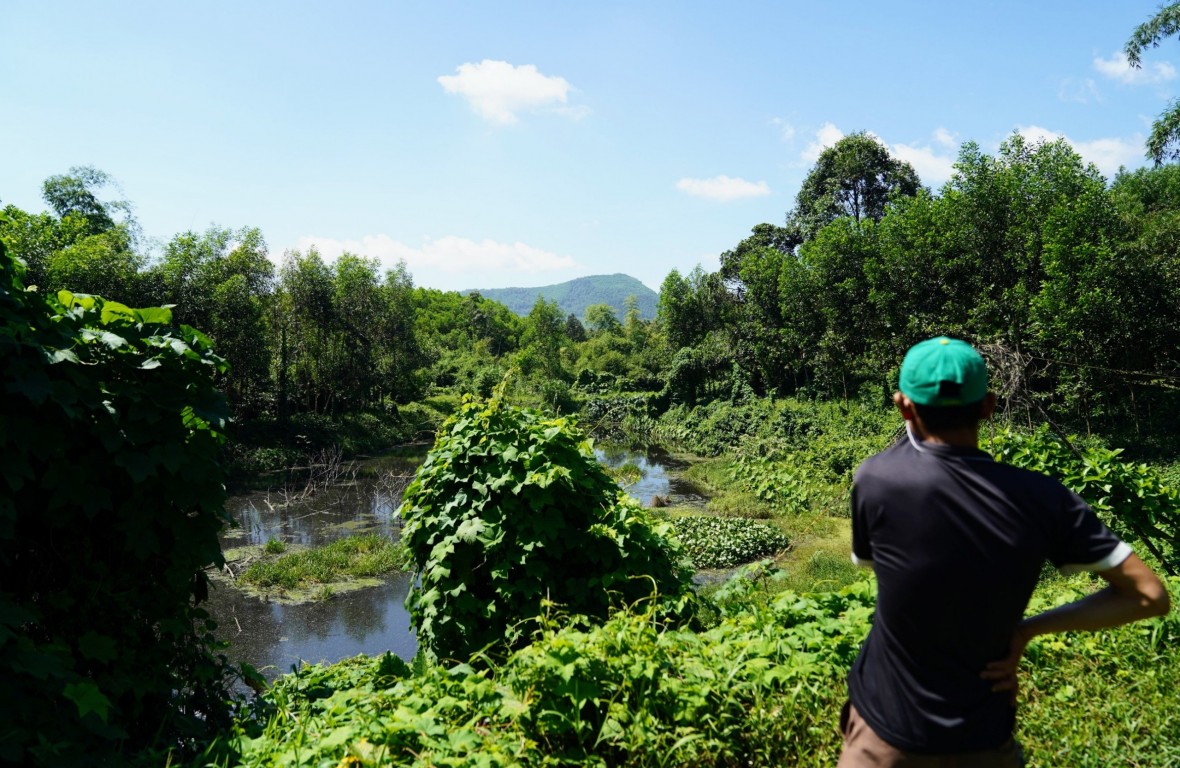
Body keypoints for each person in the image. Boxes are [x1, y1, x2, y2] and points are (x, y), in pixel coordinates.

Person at [837, 336, 1170, 767]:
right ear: (990, 406)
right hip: (982, 737)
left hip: (884, 735)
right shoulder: (1044, 498)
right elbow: (1149, 595)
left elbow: (871, 564)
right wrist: (1027, 630)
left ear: (904, 407)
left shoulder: (877, 478)